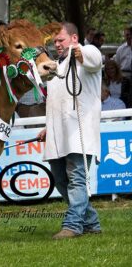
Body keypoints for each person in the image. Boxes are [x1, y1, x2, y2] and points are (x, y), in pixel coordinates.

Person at [37, 22, 102, 239]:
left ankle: (73, 225)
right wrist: (48, 127)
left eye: (61, 40)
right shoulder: (56, 66)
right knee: (59, 180)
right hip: (58, 134)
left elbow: (93, 59)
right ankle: (91, 222)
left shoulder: (88, 52)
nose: (57, 45)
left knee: (76, 179)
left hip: (79, 132)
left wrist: (78, 51)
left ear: (74, 38)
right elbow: (58, 101)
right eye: (55, 41)